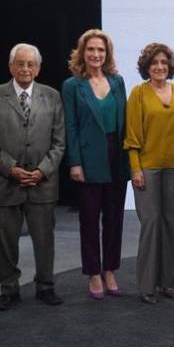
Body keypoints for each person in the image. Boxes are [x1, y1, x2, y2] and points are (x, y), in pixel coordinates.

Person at [0, 43, 66, 311]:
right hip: (6, 182)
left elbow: (59, 142)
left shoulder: (52, 96)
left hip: (43, 183)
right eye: (20, 63)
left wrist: (42, 171)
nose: (25, 69)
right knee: (6, 242)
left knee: (44, 240)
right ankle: (9, 290)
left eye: (31, 64)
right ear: (10, 66)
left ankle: (45, 286)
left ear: (38, 68)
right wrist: (11, 168)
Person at [62, 29, 130, 299]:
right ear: (82, 52)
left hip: (117, 158)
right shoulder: (72, 85)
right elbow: (71, 126)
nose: (95, 54)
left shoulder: (117, 81)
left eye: (101, 50)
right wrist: (75, 162)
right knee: (90, 221)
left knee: (114, 220)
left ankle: (110, 269)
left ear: (107, 53)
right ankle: (93, 273)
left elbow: (124, 122)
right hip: (88, 160)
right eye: (90, 49)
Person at [124, 43, 174, 305]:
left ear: (170, 65)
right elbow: (131, 136)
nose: (160, 67)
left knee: (170, 224)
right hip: (147, 169)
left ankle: (167, 283)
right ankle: (147, 285)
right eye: (154, 63)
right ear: (146, 67)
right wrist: (135, 168)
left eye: (164, 62)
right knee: (151, 224)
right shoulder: (138, 93)